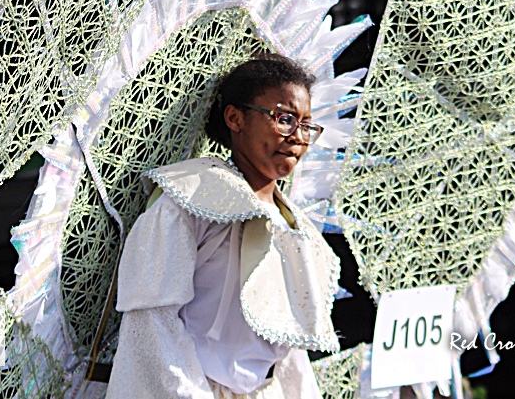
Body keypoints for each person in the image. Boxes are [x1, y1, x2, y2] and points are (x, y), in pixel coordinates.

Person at [106, 55, 341, 399]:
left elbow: (288, 349)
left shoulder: (296, 229)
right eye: (285, 119)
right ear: (235, 118)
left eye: (306, 125)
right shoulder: (189, 200)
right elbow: (153, 323)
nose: (298, 138)